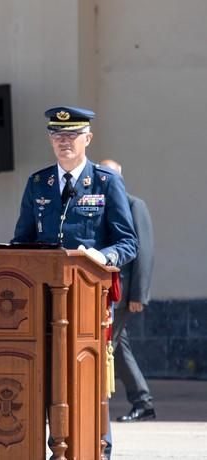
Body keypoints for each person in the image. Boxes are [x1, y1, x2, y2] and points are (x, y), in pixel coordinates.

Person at [12, 106, 138, 459]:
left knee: (87, 376)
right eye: (57, 135)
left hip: (87, 299)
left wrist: (103, 257)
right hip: (41, 299)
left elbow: (128, 242)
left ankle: (98, 449)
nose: (63, 141)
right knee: (47, 375)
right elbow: (22, 239)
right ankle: (53, 447)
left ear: (88, 138)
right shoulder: (39, 183)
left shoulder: (105, 182)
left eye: (71, 135)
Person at [99, 159, 156, 422]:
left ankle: (95, 404)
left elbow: (144, 253)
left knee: (104, 346)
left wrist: (138, 295)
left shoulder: (134, 205)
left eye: (112, 175)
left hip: (122, 293)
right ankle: (143, 402)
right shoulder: (97, 205)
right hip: (102, 289)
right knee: (118, 349)